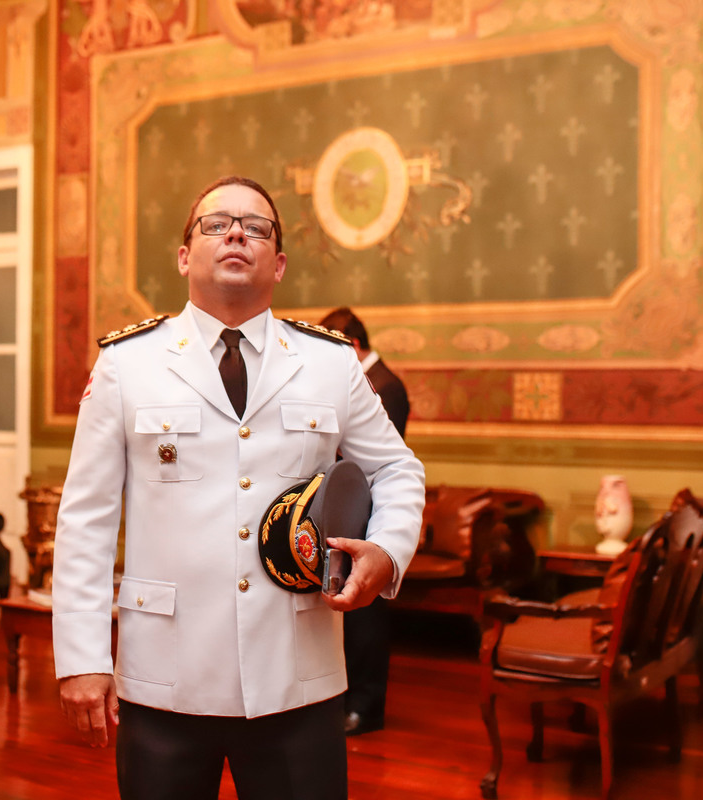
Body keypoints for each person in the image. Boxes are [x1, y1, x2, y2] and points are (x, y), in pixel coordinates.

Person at [52, 176, 426, 800]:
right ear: (184, 256)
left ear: (277, 263)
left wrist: (386, 551)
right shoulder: (126, 364)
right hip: (165, 677)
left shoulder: (330, 363)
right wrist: (82, 657)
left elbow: (397, 469)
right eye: (216, 223)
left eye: (257, 228)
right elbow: (86, 517)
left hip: (296, 676)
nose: (235, 234)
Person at [317, 307, 411, 736]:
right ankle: (348, 699)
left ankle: (367, 705)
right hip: (350, 511)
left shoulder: (385, 387)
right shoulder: (375, 380)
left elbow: (371, 459)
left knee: (366, 614)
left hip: (367, 515)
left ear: (352, 344)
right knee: (350, 612)